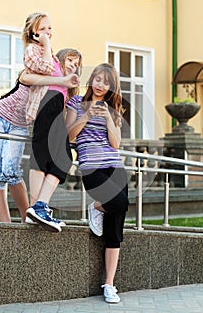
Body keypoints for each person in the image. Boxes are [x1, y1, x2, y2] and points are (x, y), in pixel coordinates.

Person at [0, 50, 81, 223]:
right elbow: (25, 77)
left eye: (76, 64)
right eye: (70, 60)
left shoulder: (62, 93)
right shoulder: (44, 70)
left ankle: (27, 217)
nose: (73, 65)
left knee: (12, 173)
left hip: (19, 125)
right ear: (59, 60)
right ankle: (6, 227)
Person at [66, 63, 129, 304]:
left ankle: (109, 285)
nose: (100, 85)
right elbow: (70, 134)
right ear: (91, 80)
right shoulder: (75, 104)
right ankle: (97, 207)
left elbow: (115, 144)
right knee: (120, 203)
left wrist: (110, 119)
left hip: (115, 167)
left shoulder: (114, 109)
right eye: (97, 79)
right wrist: (88, 115)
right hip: (91, 166)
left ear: (111, 86)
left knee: (115, 230)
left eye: (106, 82)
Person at [21, 12, 82, 232]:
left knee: (59, 159)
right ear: (33, 32)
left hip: (54, 107)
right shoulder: (34, 50)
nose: (49, 32)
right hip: (45, 105)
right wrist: (45, 44)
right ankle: (38, 206)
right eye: (44, 28)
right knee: (47, 158)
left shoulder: (54, 58)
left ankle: (37, 208)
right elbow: (44, 70)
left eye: (50, 28)